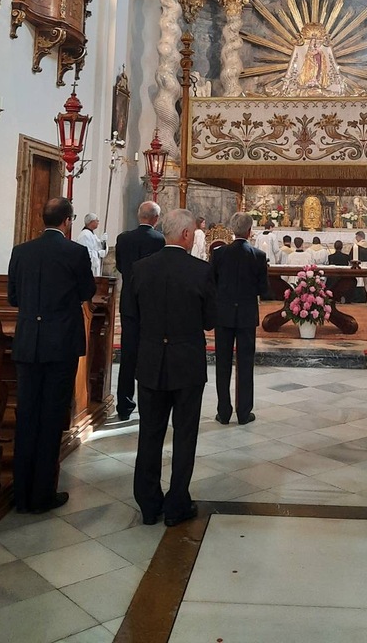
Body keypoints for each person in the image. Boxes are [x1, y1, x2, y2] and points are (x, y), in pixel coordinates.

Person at [7, 197, 96, 514]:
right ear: (67, 221)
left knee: (27, 415)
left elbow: (14, 297)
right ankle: (42, 494)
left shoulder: (21, 251)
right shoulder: (75, 252)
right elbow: (87, 291)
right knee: (51, 418)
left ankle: (21, 493)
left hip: (28, 343)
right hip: (60, 344)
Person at [130, 208, 216, 526]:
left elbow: (132, 315)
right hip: (187, 362)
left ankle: (149, 504)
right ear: (185, 234)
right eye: (192, 233)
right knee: (185, 434)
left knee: (150, 433)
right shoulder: (201, 271)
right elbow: (209, 320)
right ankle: (177, 503)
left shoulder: (140, 268)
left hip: (151, 360)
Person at [210, 212, 269, 425]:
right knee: (245, 364)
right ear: (249, 231)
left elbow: (211, 283)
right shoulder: (258, 255)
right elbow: (263, 289)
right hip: (246, 314)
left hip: (223, 314)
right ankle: (244, 412)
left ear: (232, 230)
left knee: (222, 363)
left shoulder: (219, 254)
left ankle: (223, 411)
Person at [115, 201, 165, 421]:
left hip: (129, 302)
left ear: (139, 216)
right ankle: (149, 404)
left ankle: (124, 404)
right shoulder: (159, 240)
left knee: (128, 354)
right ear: (155, 219)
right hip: (151, 303)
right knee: (151, 354)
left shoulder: (123, 238)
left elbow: (120, 266)